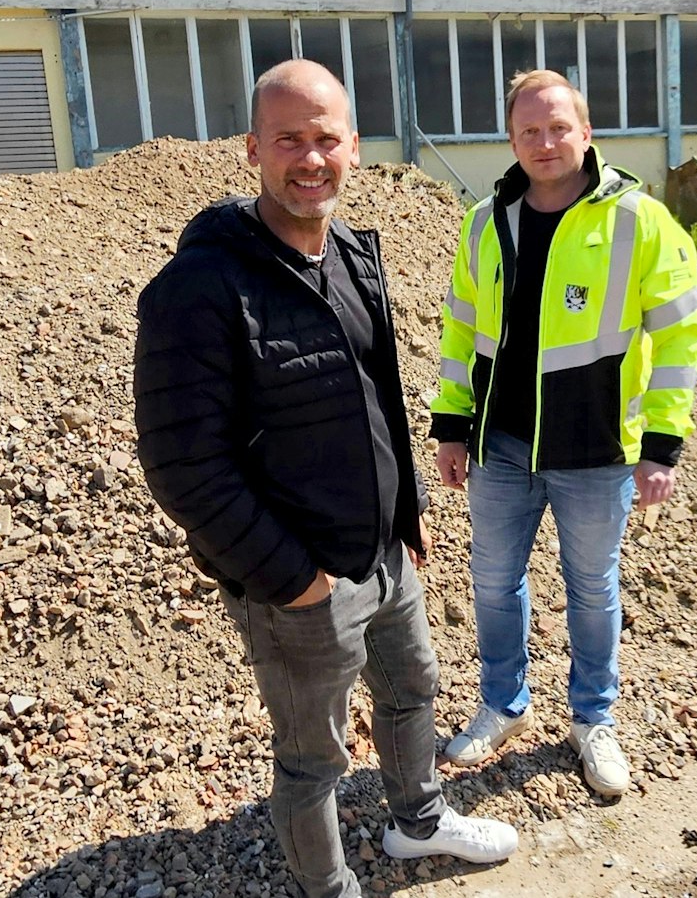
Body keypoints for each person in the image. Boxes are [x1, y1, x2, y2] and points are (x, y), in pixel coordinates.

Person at [134, 60, 516, 898]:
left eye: (327, 139)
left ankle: (418, 822)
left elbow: (379, 394)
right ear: (252, 151)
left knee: (413, 690)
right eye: (289, 140)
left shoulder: (350, 252)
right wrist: (291, 579)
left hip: (384, 550)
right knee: (314, 757)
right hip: (297, 578)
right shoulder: (200, 287)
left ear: (353, 145)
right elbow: (181, 464)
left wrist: (407, 518)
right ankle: (327, 888)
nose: (311, 159)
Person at [430, 69, 697, 798]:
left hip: (596, 448)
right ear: (512, 139)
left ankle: (593, 719)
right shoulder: (486, 221)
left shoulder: (638, 220)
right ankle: (504, 704)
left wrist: (662, 445)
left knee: (591, 588)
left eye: (558, 127)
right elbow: (461, 329)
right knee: (493, 583)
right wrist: (452, 427)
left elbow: (682, 336)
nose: (545, 142)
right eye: (530, 131)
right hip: (502, 443)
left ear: (586, 132)